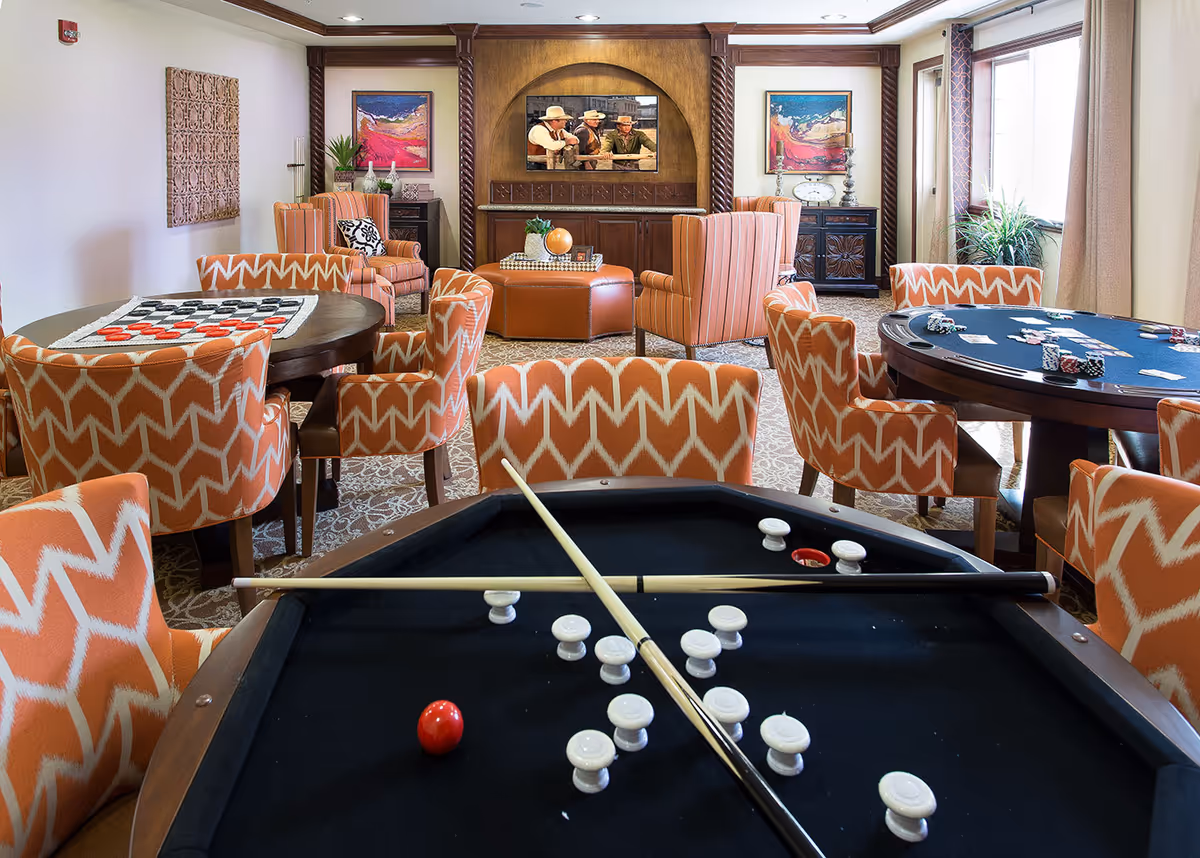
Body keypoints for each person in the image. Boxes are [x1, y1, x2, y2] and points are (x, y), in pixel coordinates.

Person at [527, 106, 579, 170]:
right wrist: (566, 142)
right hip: (535, 166)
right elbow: (552, 145)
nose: (566, 121)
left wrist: (568, 141)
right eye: (563, 119)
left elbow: (576, 139)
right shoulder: (539, 129)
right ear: (554, 121)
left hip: (548, 165)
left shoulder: (559, 130)